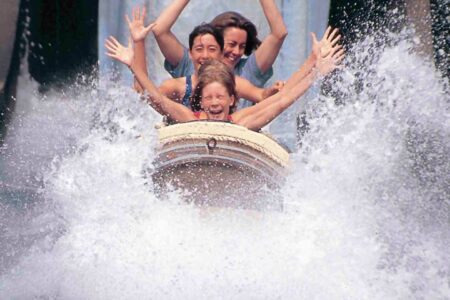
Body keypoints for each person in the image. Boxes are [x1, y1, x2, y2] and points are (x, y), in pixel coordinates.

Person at [105, 26, 344, 131]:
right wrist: (132, 64)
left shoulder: (240, 121)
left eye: (220, 96)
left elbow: (281, 100)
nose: (215, 102)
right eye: (209, 97)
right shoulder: (189, 118)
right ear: (200, 100)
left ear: (232, 99)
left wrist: (315, 68)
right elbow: (156, 98)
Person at [131, 1, 287, 106]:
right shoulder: (192, 64)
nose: (237, 52)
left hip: (237, 141)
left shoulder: (243, 77)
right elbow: (160, 31)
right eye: (231, 45)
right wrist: (137, 47)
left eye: (242, 46)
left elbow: (279, 33)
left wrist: (271, 92)